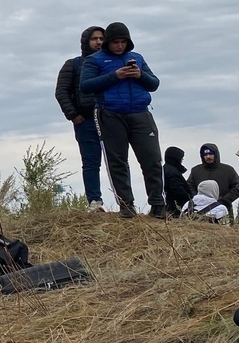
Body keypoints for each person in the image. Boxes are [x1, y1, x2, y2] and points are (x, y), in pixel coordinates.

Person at [79, 22, 165, 218]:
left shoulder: (137, 58)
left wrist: (140, 75)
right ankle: (127, 206)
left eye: (123, 42)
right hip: (110, 114)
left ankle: (158, 205)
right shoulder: (94, 60)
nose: (119, 46)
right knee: (117, 162)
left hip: (140, 113)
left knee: (152, 159)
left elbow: (154, 84)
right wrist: (115, 76)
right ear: (109, 42)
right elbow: (85, 85)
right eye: (115, 42)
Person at [55, 26, 107, 212]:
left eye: (101, 38)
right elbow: (61, 92)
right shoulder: (73, 65)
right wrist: (74, 115)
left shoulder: (109, 64)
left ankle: (125, 201)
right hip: (85, 120)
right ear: (86, 41)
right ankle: (95, 201)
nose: (98, 42)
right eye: (94, 39)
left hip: (110, 118)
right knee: (91, 162)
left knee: (118, 161)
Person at [163, 147, 192, 218]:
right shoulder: (172, 172)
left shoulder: (165, 169)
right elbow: (178, 191)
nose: (181, 160)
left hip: (168, 206)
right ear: (175, 159)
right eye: (180, 158)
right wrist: (189, 200)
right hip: (175, 208)